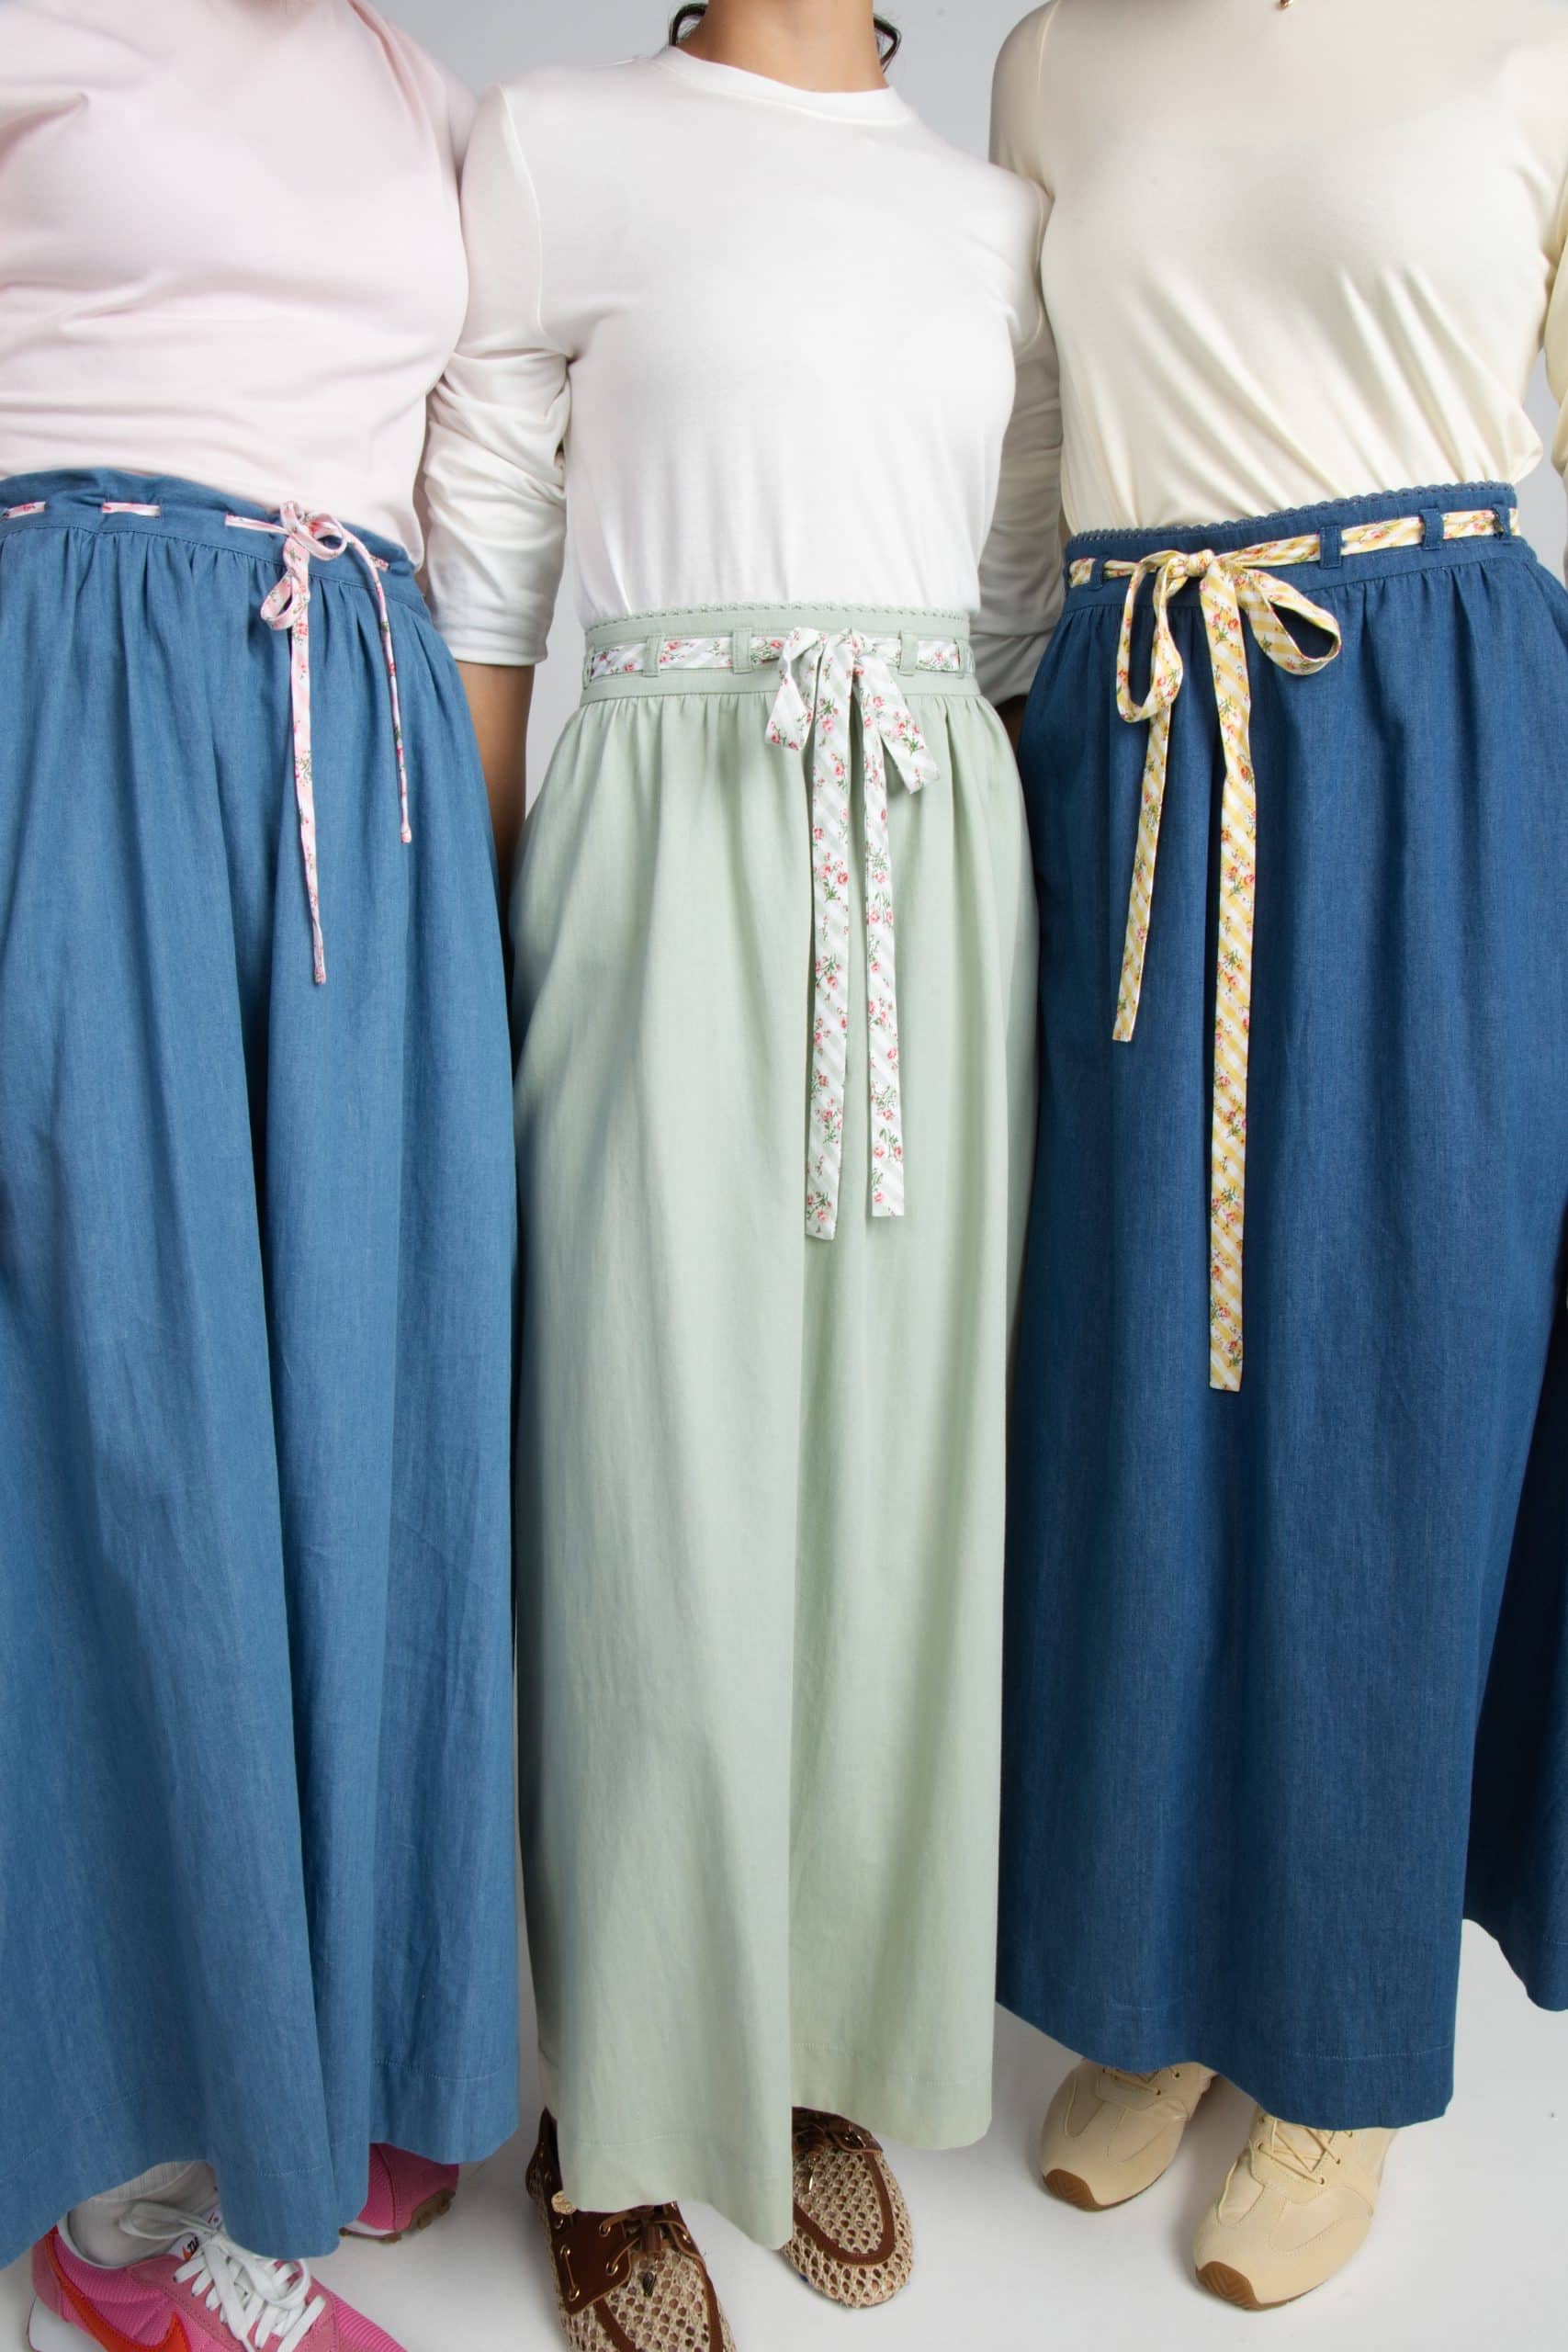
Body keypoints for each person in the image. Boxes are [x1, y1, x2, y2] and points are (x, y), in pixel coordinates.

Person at [422, 2, 1043, 2343]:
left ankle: (805, 2043)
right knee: (648, 1482)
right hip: (665, 842)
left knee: (888, 1490)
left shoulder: (991, 213)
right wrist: (491, 933)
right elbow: (487, 568)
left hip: (929, 854)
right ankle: (619, 2107)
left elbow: (1007, 593)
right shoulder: (558, 143)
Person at [980, 0, 1568, 2311]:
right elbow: (1032, 462)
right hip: (1132, 732)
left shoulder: (1524, 38)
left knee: (1397, 1379)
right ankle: (1158, 1973)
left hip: (1430, 733)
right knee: (1136, 1387)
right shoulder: (1055, 55)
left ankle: (1331, 2035)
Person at [0, 4, 519, 2345]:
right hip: (90, 706)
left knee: (369, 1414)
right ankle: (129, 2191)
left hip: (362, 751)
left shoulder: (421, 91)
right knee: (130, 1419)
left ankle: (314, 2045)